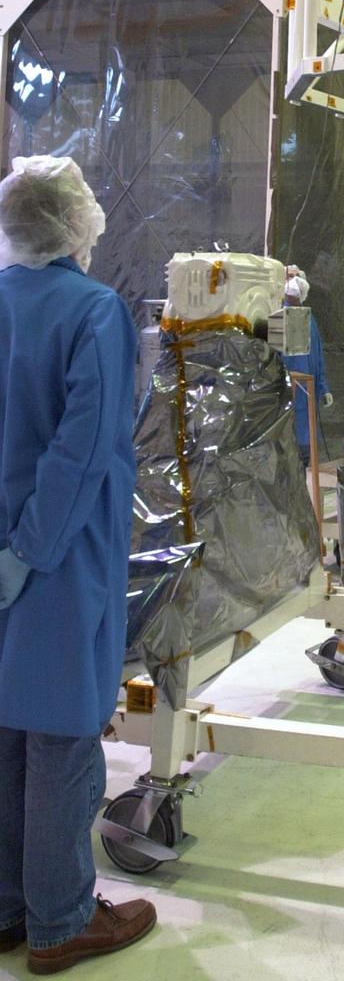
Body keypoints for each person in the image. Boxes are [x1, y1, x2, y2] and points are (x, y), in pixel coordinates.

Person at [0, 156, 156, 973]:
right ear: (77, 221)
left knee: (1, 729)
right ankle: (59, 921)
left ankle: (7, 909)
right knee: (61, 735)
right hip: (55, 562)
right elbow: (83, 446)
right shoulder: (94, 312)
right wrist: (29, 551)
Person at [282, 265, 332, 466]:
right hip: (288, 394)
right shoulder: (277, 317)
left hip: (307, 391)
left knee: (305, 446)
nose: (295, 281)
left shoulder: (308, 318)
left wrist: (323, 387)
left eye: (297, 276)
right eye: (290, 277)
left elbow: (317, 357)